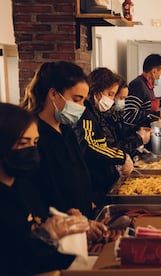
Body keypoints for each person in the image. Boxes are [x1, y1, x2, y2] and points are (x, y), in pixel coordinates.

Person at [21, 61, 107, 240]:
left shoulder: (66, 128)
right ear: (53, 94)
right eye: (76, 99)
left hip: (81, 223)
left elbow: (75, 171)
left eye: (83, 100)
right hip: (57, 229)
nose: (81, 107)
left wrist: (87, 202)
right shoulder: (34, 135)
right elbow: (35, 188)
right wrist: (66, 214)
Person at [0, 102, 89, 275]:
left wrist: (66, 227)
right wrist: (44, 236)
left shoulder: (25, 186)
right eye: (23, 143)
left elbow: (39, 224)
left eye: (35, 142)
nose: (31, 150)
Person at [74, 67, 134, 209]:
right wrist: (121, 156)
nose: (112, 100)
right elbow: (90, 147)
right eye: (110, 94)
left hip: (102, 179)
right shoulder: (86, 115)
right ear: (96, 91)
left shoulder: (97, 112)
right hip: (92, 183)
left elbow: (103, 145)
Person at [124, 53, 161, 128]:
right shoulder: (138, 85)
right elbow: (129, 115)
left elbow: (153, 104)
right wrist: (159, 114)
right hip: (136, 135)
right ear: (154, 72)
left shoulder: (147, 86)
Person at [101, 76, 152, 156]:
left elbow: (122, 133)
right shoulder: (103, 116)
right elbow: (114, 147)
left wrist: (138, 131)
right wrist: (139, 139)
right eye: (121, 98)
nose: (123, 102)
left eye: (125, 98)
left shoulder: (116, 112)